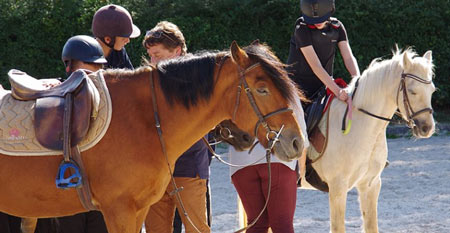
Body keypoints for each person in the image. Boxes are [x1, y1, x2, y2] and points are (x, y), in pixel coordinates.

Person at [34, 35, 109, 233]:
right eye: (92, 64)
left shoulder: (109, 99)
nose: (99, 70)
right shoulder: (56, 96)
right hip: (68, 186)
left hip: (100, 186)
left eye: (99, 65)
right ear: (70, 66)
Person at [142, 21, 211, 233]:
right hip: (155, 172)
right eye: (151, 55)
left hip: (188, 168)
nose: (153, 61)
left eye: (158, 55)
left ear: (177, 51)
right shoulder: (148, 80)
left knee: (196, 230)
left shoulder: (198, 80)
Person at [228, 101, 309, 233]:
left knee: (256, 224)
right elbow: (300, 130)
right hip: (277, 159)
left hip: (240, 160)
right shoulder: (282, 84)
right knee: (282, 224)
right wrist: (301, 170)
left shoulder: (233, 84)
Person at [286, 0, 360, 102]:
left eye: (322, 18)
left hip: (323, 85)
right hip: (297, 88)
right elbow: (316, 66)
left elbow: (348, 58)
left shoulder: (338, 27)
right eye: (313, 20)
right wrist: (337, 91)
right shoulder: (301, 29)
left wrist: (357, 80)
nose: (317, 22)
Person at [91, 4, 141, 69]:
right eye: (123, 38)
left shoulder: (119, 52)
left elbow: (132, 76)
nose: (128, 41)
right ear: (108, 39)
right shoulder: (87, 58)